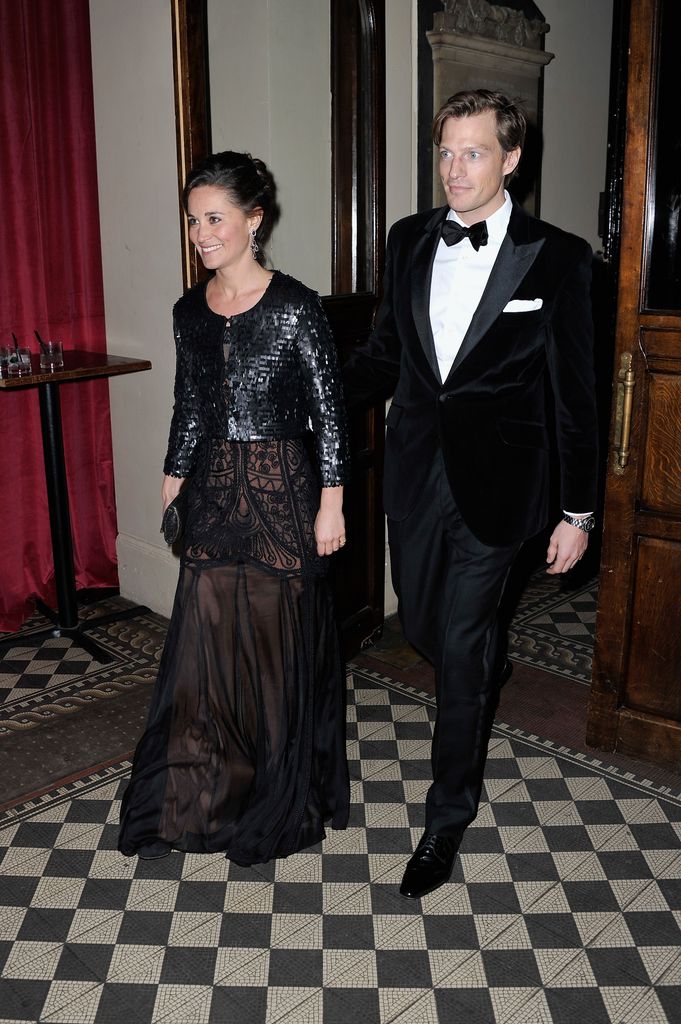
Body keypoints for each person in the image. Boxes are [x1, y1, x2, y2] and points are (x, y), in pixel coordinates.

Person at [343, 90, 599, 899]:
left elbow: (575, 395)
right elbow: (386, 356)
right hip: (416, 474)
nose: (455, 170)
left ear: (511, 158)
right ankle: (482, 658)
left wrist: (577, 510)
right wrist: (313, 390)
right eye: (446, 153)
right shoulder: (410, 238)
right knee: (423, 623)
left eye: (474, 153)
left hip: (502, 485)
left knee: (457, 646)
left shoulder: (556, 258)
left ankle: (444, 818)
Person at [119, 151, 351, 865]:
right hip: (215, 486)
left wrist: (332, 503)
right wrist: (172, 472)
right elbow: (189, 401)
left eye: (214, 219)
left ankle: (278, 793)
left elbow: (329, 413)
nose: (201, 233)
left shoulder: (295, 306)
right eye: (193, 222)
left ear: (253, 221)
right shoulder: (189, 308)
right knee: (207, 646)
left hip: (284, 488)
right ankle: (202, 792)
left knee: (276, 646)